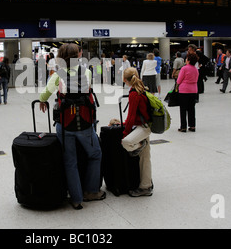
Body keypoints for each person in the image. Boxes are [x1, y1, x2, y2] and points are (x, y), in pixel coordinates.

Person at [39, 43, 104, 210]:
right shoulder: (87, 72)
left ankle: (76, 199)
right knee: (95, 154)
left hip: (65, 123)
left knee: (70, 162)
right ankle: (91, 191)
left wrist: (42, 101)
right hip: (85, 123)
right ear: (79, 55)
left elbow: (44, 94)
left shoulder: (57, 75)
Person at [109, 67, 153, 197]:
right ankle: (146, 186)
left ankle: (140, 145)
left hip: (143, 127)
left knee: (126, 142)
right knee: (145, 158)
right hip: (147, 125)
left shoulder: (134, 93)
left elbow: (132, 117)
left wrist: (124, 133)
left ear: (124, 79)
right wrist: (122, 123)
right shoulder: (142, 88)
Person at [176, 53, 199, 132]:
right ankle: (192, 126)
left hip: (184, 90)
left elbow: (179, 80)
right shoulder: (195, 69)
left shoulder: (184, 68)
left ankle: (183, 127)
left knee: (183, 109)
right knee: (191, 108)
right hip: (194, 90)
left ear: (188, 60)